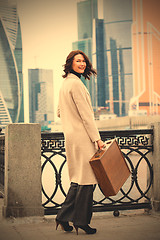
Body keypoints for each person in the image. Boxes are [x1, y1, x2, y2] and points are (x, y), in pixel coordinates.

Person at [56, 50, 105, 235]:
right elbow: (87, 117)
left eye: (84, 61)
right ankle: (81, 221)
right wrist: (97, 140)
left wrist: (70, 120)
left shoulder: (65, 84)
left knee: (78, 179)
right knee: (87, 180)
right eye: (78, 61)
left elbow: (59, 112)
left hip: (71, 137)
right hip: (83, 138)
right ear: (70, 63)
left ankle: (62, 216)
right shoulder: (76, 84)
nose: (82, 64)